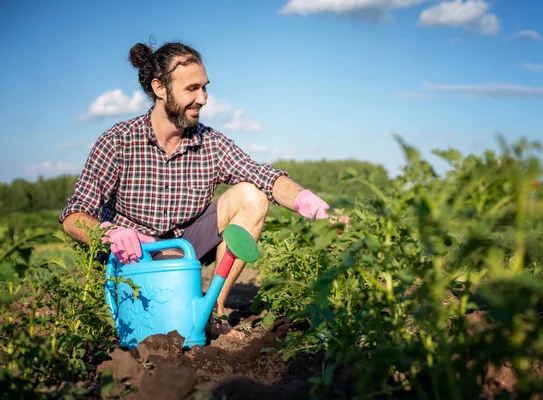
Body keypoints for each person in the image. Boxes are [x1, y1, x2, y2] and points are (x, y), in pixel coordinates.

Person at [59, 41, 348, 338]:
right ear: (160, 88)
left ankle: (213, 309)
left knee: (252, 195)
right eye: (192, 89)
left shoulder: (210, 143)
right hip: (133, 259)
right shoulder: (118, 141)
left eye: (205, 88)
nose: (203, 98)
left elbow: (264, 177)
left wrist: (316, 209)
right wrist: (110, 234)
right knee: (156, 327)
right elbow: (73, 214)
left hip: (185, 250)